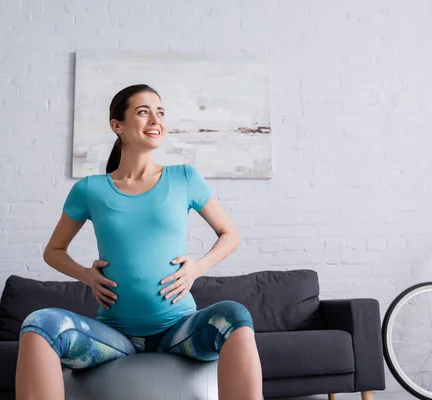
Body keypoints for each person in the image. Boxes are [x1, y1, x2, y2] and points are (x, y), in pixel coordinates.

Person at [15, 84, 263, 400]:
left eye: (160, 112)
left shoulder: (184, 178)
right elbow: (53, 251)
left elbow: (231, 235)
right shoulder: (91, 189)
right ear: (117, 126)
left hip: (180, 330)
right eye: (143, 112)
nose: (155, 120)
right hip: (114, 335)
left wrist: (196, 269)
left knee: (235, 315)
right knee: (38, 326)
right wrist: (86, 276)